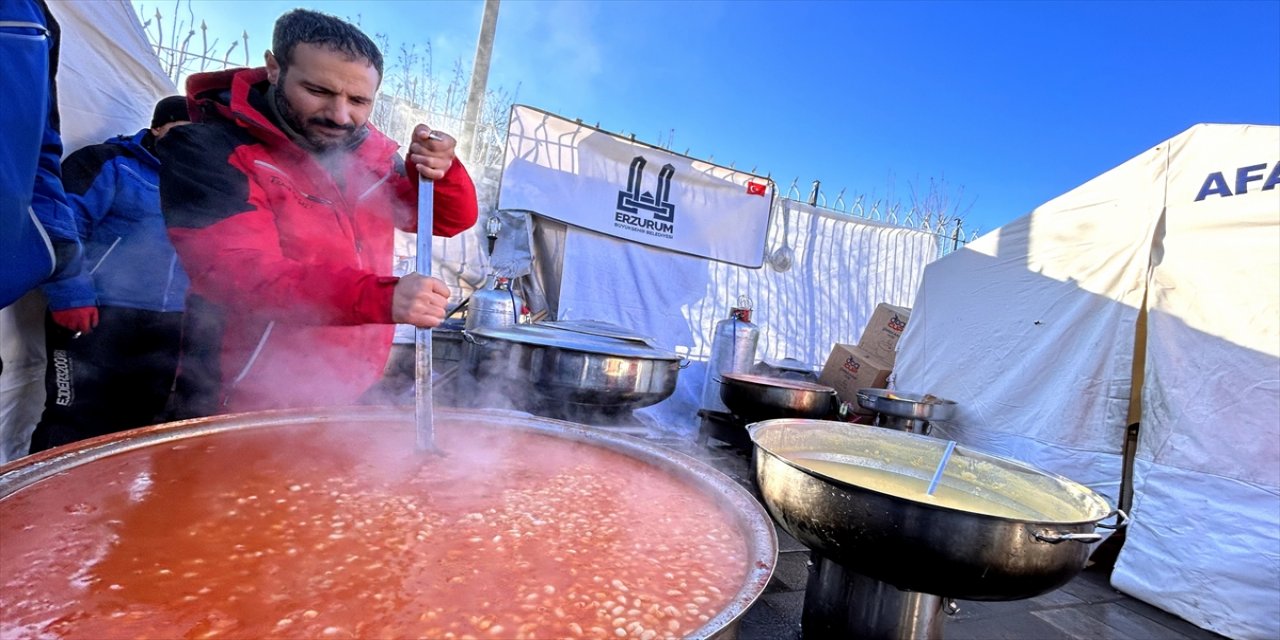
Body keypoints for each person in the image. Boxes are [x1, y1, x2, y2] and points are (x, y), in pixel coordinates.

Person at [158, 9, 478, 416]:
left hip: (350, 388)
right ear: (274, 68)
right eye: (318, 91)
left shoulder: (370, 158)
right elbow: (236, 273)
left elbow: (446, 220)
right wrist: (383, 297)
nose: (341, 115)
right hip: (243, 396)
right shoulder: (210, 148)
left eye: (359, 100)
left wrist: (442, 172)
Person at [27, 97, 193, 454]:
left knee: (140, 424)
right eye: (181, 132)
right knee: (73, 418)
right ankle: (45, 505)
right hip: (96, 313)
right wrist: (70, 294)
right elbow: (61, 226)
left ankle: (111, 507)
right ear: (157, 128)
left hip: (168, 324)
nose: (188, 144)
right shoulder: (109, 163)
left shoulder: (199, 184)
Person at [0, 0, 82, 462]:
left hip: (153, 317)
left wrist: (67, 277)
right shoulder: (114, 162)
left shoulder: (34, 14)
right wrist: (75, 291)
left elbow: (42, 159)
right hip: (103, 309)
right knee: (70, 406)